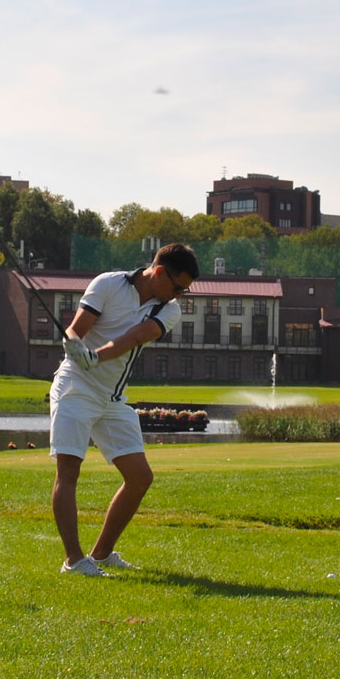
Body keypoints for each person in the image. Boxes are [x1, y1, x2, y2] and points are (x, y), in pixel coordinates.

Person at [50, 243, 198, 577]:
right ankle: (74, 561)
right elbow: (77, 327)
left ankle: (100, 555)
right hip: (75, 387)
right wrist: (72, 344)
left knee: (140, 477)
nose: (177, 295)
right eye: (177, 287)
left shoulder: (168, 309)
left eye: (183, 291)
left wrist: (96, 356)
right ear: (159, 272)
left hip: (112, 398)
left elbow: (133, 337)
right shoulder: (107, 284)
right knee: (68, 472)